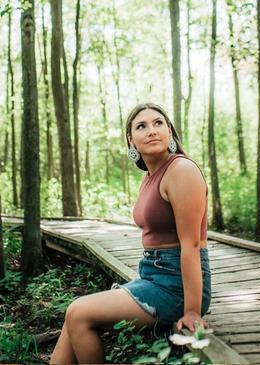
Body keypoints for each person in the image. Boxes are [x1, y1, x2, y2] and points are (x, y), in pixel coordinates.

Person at [50, 103, 211, 364]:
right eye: (141, 126)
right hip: (152, 276)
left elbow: (191, 246)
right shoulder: (150, 176)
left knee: (78, 312)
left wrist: (192, 311)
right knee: (73, 319)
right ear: (131, 140)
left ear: (170, 131)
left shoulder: (181, 171)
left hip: (177, 286)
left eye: (158, 123)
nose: (152, 131)